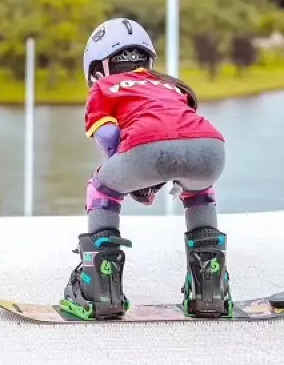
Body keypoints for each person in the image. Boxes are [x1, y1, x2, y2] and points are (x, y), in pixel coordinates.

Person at [60, 17, 230, 321]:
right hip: (211, 148)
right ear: (148, 58)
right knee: (199, 188)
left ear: (98, 68)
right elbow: (179, 135)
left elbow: (110, 137)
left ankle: (100, 292)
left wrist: (134, 177)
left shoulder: (106, 86)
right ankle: (209, 291)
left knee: (102, 188)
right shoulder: (170, 84)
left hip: (146, 149)